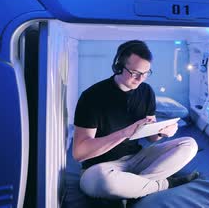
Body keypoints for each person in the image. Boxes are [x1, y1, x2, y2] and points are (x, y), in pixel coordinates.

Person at [73, 40, 199, 199]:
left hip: (138, 159)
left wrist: (162, 133)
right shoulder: (91, 97)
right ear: (118, 67)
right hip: (101, 167)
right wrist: (124, 133)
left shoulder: (146, 92)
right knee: (102, 181)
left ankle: (135, 187)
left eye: (146, 73)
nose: (141, 79)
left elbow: (151, 137)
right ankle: (164, 184)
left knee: (189, 144)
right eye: (135, 73)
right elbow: (79, 153)